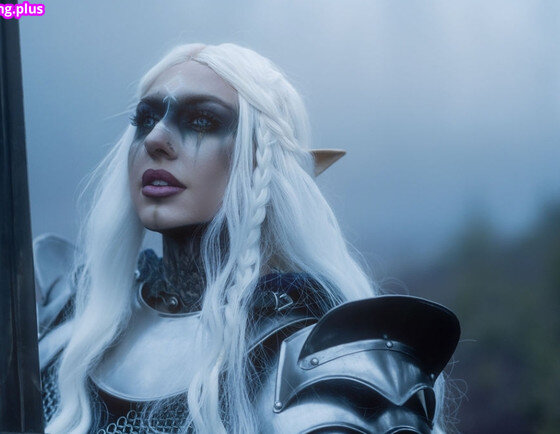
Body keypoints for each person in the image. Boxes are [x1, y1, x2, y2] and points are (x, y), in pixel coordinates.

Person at [32, 43, 460, 433]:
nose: (156, 140)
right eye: (145, 120)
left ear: (262, 161)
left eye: (202, 121)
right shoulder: (70, 337)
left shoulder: (324, 363)